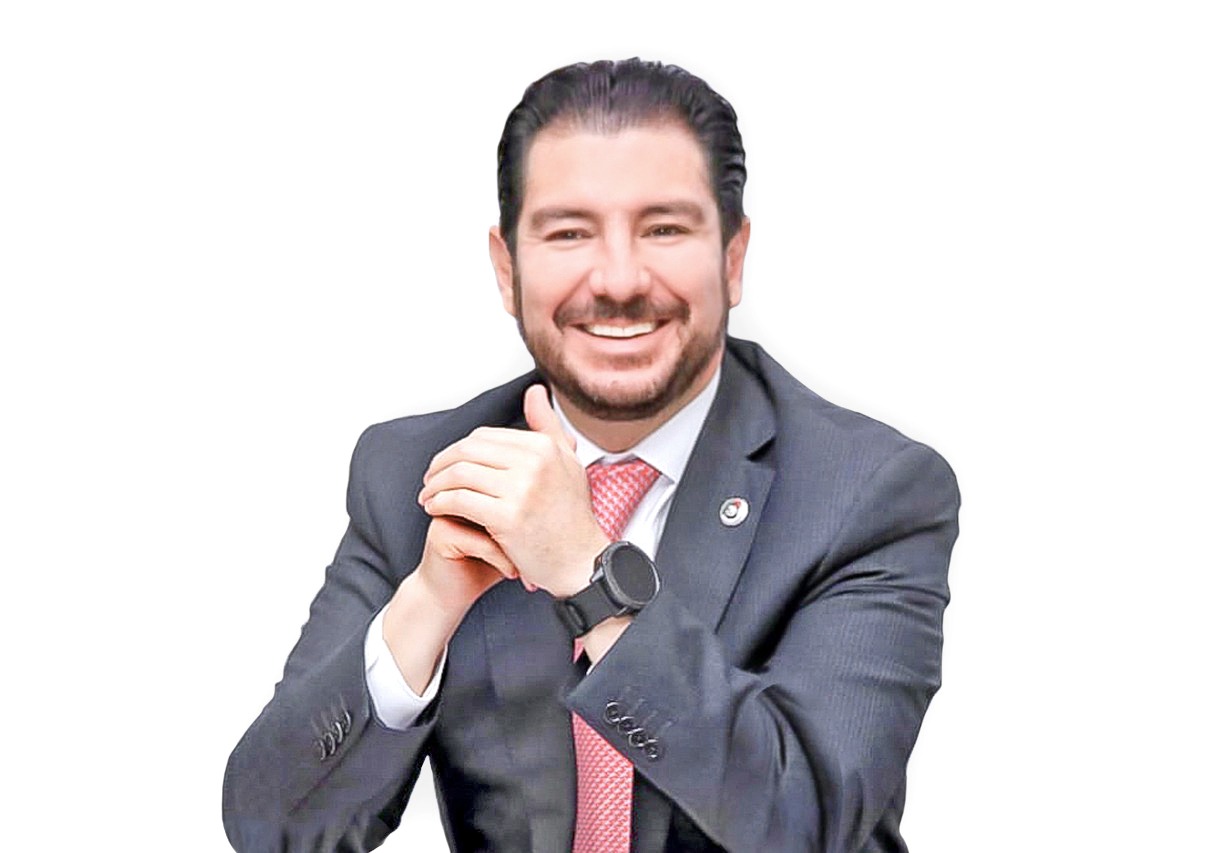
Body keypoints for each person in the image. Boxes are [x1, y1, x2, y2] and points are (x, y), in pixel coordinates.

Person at [223, 58, 960, 853]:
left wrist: (588, 573)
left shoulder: (868, 491)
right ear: (507, 268)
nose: (617, 280)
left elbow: (804, 824)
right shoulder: (415, 472)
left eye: (664, 229)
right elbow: (273, 827)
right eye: (569, 232)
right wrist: (428, 604)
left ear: (733, 257)